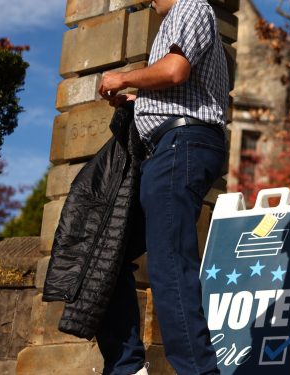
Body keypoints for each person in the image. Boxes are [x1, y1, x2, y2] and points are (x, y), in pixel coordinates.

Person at [96, 0, 229, 373]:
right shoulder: (179, 19)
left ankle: (197, 370)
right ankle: (127, 367)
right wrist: (140, 101)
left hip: (181, 146)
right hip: (171, 147)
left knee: (169, 261)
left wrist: (124, 77)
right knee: (111, 254)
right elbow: (179, 85)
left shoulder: (190, 6)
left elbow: (175, 71)